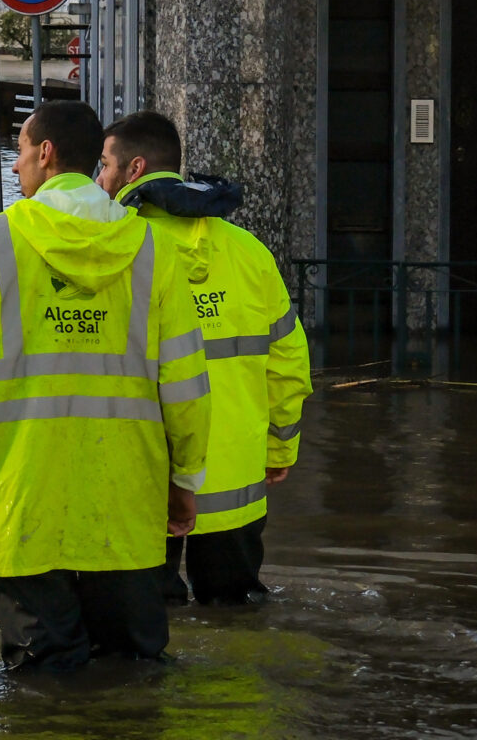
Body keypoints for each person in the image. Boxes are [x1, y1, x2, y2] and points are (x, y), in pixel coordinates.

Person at [0, 100, 211, 671]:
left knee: (42, 681)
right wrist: (184, 479)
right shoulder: (151, 248)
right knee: (133, 673)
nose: (16, 167)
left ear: (46, 154)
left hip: (22, 499)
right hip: (125, 499)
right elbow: (185, 382)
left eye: (20, 152)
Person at [98, 111, 311, 605]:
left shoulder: (117, 250)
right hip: (236, 482)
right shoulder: (249, 252)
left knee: (148, 625)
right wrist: (279, 450)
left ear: (134, 170)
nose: (100, 178)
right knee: (237, 622)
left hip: (146, 481)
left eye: (105, 165)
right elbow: (289, 363)